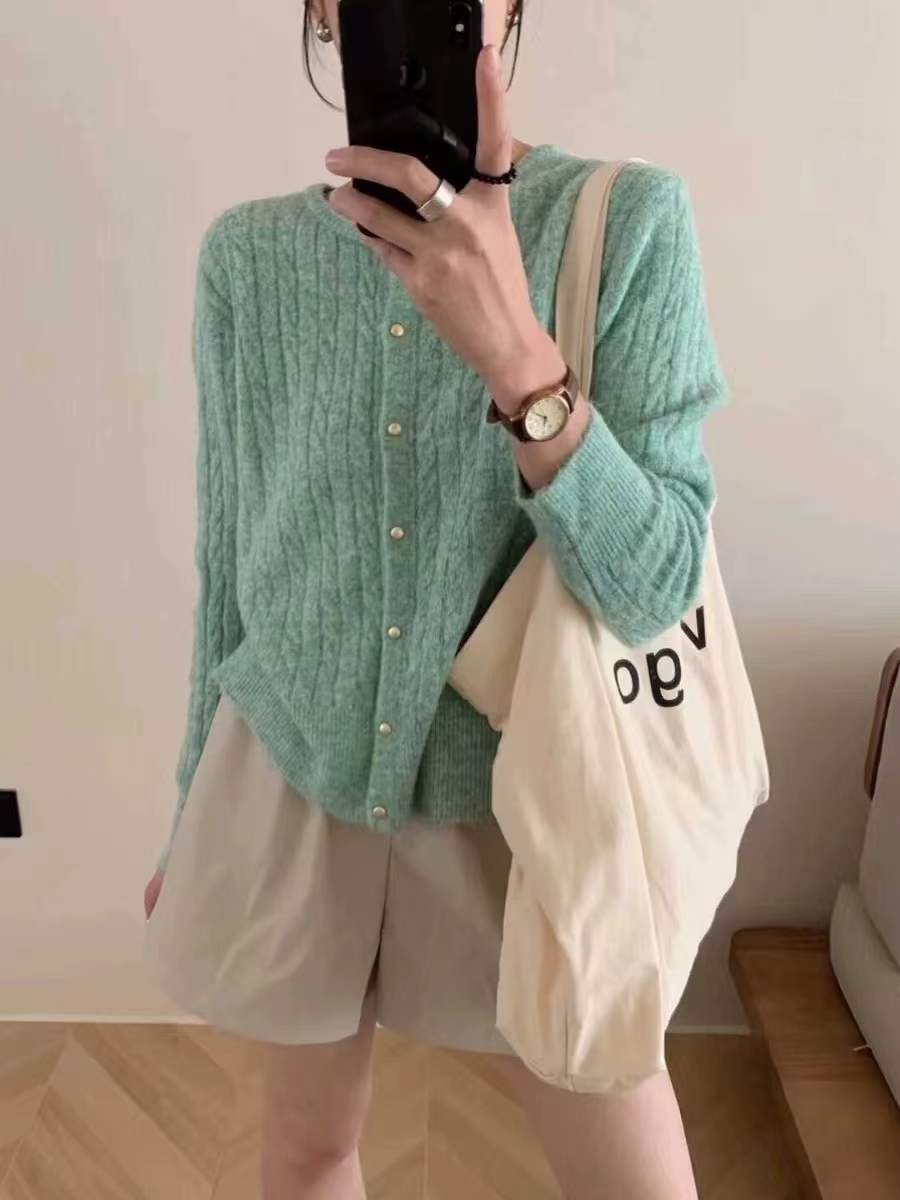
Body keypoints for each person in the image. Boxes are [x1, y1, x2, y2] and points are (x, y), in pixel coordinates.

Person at [143, 1, 731, 1196]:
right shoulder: (247, 258)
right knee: (309, 1150)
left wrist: (519, 354)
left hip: (538, 802)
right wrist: (191, 805)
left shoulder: (628, 222)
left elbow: (656, 582)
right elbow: (230, 568)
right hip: (296, 778)